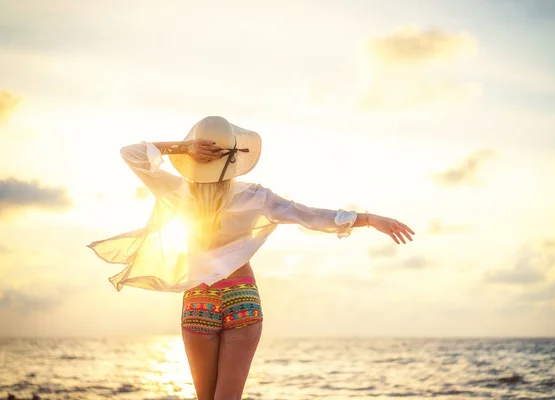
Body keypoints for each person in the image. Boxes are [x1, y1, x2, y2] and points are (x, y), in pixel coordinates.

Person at [88, 116, 414, 400]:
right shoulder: (256, 197)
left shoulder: (176, 191)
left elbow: (129, 153)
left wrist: (182, 148)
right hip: (242, 296)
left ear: (197, 157)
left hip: (199, 298)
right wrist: (369, 218)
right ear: (232, 158)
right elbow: (311, 216)